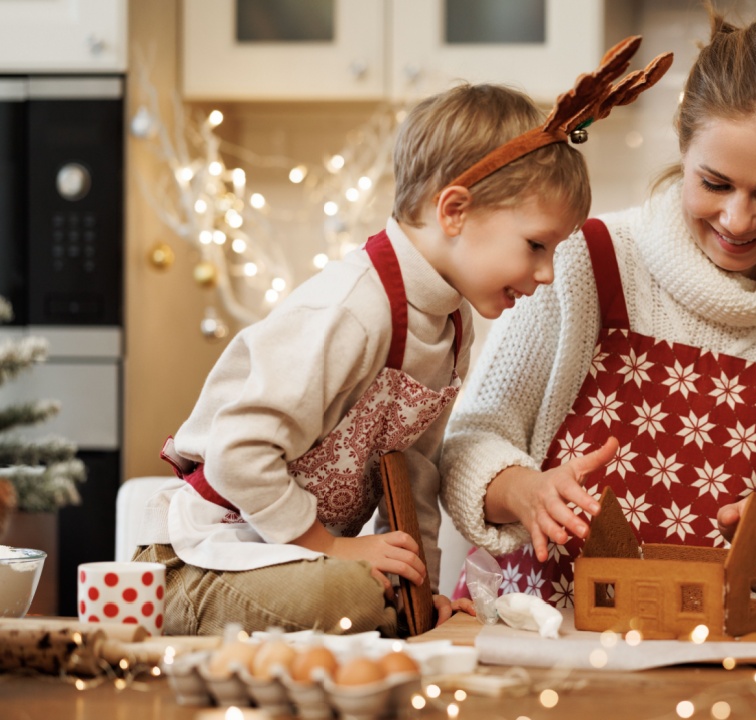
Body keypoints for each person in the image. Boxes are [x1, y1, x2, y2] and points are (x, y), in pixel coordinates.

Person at [134, 36, 669, 635]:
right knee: (351, 595)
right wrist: (328, 548)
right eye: (536, 246)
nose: (546, 274)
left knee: (377, 600)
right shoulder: (352, 310)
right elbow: (237, 453)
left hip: (287, 560)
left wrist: (421, 600)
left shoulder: (451, 326)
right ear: (455, 211)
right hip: (200, 561)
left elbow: (413, 476)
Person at [441, 8, 756, 606]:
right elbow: (471, 438)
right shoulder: (585, 261)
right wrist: (523, 490)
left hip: (720, 673)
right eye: (715, 183)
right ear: (683, 143)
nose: (738, 220)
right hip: (539, 636)